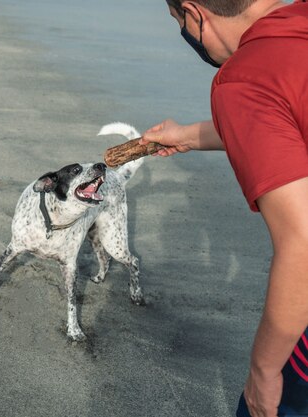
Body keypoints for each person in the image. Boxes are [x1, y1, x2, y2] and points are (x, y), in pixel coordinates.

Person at [139, 0, 308, 416]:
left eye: (177, 19)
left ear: (195, 14)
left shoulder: (243, 80)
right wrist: (192, 135)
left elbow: (304, 241)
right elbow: (283, 113)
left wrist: (264, 371)